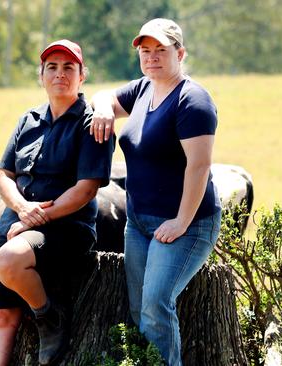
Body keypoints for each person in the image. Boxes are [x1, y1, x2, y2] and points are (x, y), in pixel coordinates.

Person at [90, 18, 221, 366]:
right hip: (139, 223)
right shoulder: (143, 89)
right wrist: (103, 108)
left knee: (155, 304)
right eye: (145, 51)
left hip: (187, 224)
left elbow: (199, 166)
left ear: (180, 53)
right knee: (137, 308)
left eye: (161, 50)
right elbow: (106, 97)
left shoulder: (193, 101)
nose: (151, 57)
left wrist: (180, 222)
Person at [0, 39, 115, 366]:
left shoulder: (91, 123)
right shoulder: (28, 120)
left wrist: (32, 219)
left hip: (67, 227)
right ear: (41, 75)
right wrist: (22, 210)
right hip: (17, 222)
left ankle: (48, 315)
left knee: (10, 259)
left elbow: (85, 190)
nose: (60, 74)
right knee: (2, 317)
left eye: (69, 67)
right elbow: (4, 175)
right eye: (52, 67)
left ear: (82, 76)